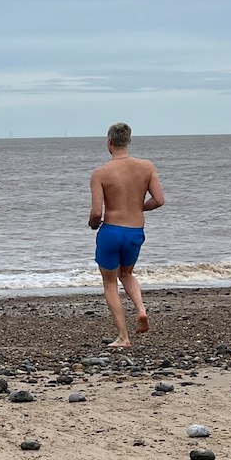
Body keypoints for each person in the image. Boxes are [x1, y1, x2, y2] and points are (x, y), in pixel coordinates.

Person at [88, 122, 164, 348]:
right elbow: (159, 200)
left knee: (110, 283)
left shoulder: (100, 173)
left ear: (109, 143)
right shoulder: (147, 166)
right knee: (127, 273)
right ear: (128, 141)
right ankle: (141, 310)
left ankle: (123, 337)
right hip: (135, 231)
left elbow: (96, 212)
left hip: (111, 231)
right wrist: (138, 208)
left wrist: (93, 224)